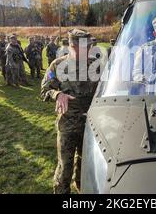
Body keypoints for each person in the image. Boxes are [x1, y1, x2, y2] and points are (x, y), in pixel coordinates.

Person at [41, 29, 101, 194]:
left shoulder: (95, 65)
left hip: (90, 125)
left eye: (91, 45)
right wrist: (57, 94)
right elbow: (44, 90)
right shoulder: (58, 65)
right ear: (73, 46)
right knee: (65, 166)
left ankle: (83, 188)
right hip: (68, 125)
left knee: (85, 162)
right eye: (87, 46)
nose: (91, 48)